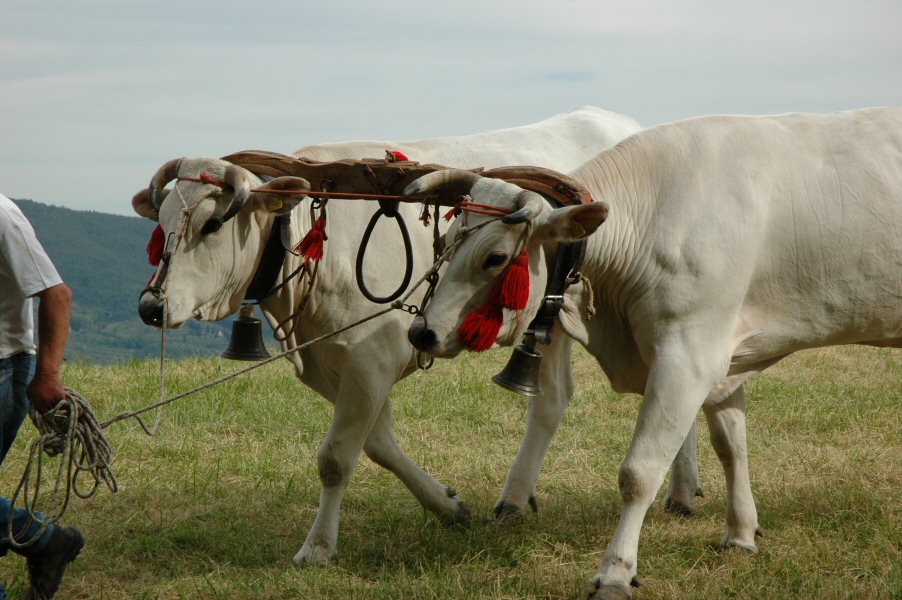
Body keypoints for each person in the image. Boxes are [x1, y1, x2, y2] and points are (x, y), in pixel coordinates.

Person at [1, 193, 84, 599]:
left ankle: (45, 541)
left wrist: (47, 376)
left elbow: (57, 294)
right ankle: (44, 541)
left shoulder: (2, 217)